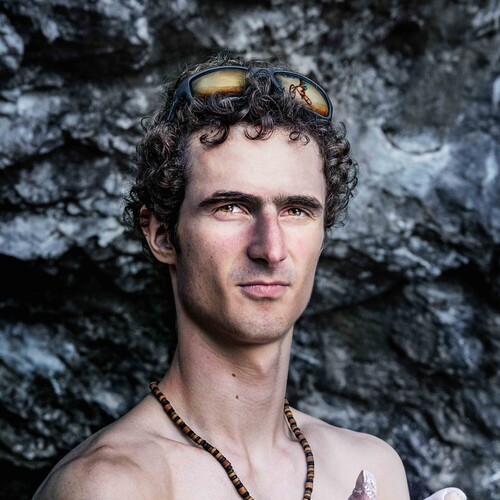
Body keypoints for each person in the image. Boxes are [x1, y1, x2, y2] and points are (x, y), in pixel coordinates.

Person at [34, 54, 426, 500]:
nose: (270, 248)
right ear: (162, 234)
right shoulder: (110, 486)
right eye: (231, 207)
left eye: (296, 210)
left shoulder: (371, 467)